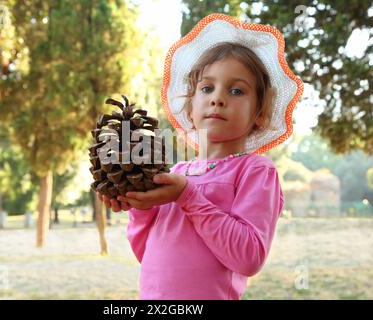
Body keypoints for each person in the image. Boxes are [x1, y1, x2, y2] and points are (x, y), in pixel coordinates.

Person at [97, 13, 303, 299]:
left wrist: (188, 197)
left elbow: (248, 257)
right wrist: (138, 205)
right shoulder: (175, 172)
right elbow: (146, 252)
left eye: (236, 90)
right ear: (190, 107)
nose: (218, 98)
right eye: (207, 88)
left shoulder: (255, 171)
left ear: (259, 114)